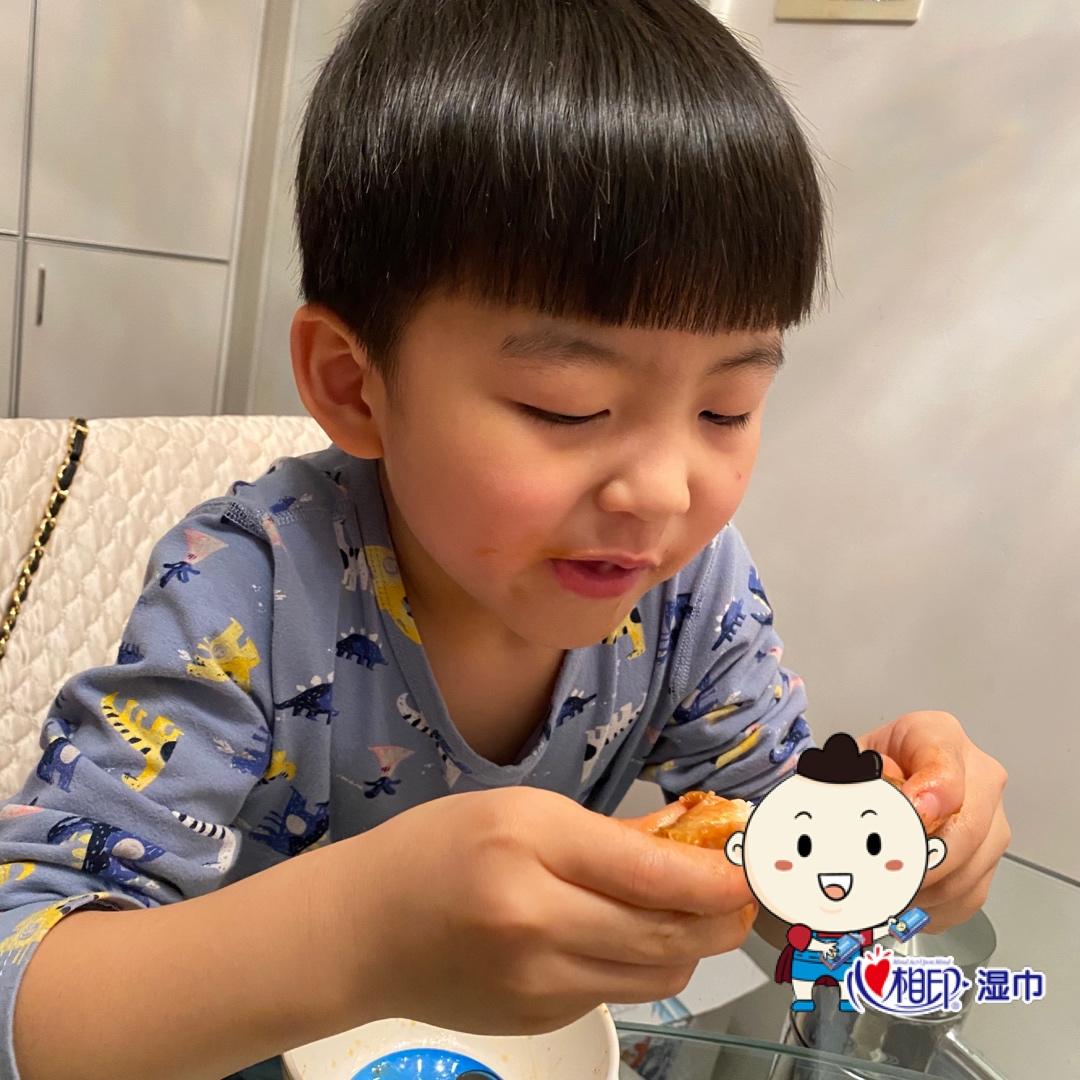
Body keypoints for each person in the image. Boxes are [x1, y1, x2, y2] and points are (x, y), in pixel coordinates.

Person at [1, 2, 1010, 1077]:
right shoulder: (246, 588)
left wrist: (890, 846)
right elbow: (28, 985)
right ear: (355, 384)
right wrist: (361, 934)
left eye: (726, 409)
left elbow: (785, 883)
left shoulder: (687, 593)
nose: (663, 491)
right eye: (568, 407)